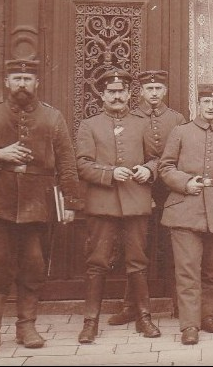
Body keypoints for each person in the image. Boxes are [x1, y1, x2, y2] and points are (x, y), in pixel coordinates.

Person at [0, 58, 83, 363]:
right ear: (6, 82)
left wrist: (69, 203)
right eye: (16, 78)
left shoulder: (53, 117)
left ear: (37, 83)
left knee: (33, 265)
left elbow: (67, 163)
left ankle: (27, 327)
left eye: (27, 80)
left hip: (38, 204)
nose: (22, 85)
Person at [75, 69, 161, 344]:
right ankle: (90, 322)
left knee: (137, 261)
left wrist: (148, 170)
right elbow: (83, 165)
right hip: (103, 204)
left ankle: (144, 317)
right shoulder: (89, 125)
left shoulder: (142, 123)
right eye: (111, 92)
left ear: (128, 94)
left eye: (121, 91)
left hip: (136, 203)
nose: (116, 96)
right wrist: (109, 174)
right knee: (97, 262)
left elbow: (158, 159)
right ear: (102, 94)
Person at [160, 83, 213, 345]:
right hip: (184, 209)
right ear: (199, 104)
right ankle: (189, 325)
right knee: (187, 271)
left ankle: (207, 316)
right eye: (206, 102)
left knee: (211, 270)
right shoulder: (181, 132)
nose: (210, 107)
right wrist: (185, 182)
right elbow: (165, 167)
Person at [108, 69, 187, 327]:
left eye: (158, 89)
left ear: (165, 91)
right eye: (149, 89)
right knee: (136, 249)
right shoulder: (130, 118)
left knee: (176, 248)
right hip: (138, 189)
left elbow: (181, 157)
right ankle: (131, 306)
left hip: (171, 192)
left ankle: (180, 304)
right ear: (140, 91)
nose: (154, 93)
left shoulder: (176, 119)